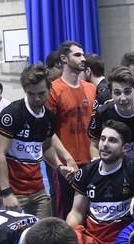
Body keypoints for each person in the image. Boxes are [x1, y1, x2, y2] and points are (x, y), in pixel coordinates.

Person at [0, 63, 75, 219]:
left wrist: (59, 166)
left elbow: (46, 148)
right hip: (12, 192)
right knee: (11, 239)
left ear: (49, 90)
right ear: (25, 91)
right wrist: (6, 193)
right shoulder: (11, 115)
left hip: (37, 189)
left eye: (42, 93)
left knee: (43, 237)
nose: (37, 99)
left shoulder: (49, 117)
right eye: (31, 94)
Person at [46, 40, 96, 219]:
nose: (83, 59)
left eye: (83, 55)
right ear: (63, 59)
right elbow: (48, 132)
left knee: (90, 213)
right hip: (67, 166)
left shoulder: (91, 89)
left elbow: (96, 127)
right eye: (77, 55)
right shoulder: (53, 90)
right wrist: (67, 159)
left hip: (91, 162)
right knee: (65, 213)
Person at [88, 66, 134, 162]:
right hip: (116, 167)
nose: (123, 98)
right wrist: (97, 162)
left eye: (127, 92)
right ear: (111, 94)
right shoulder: (102, 113)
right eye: (117, 93)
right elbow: (94, 145)